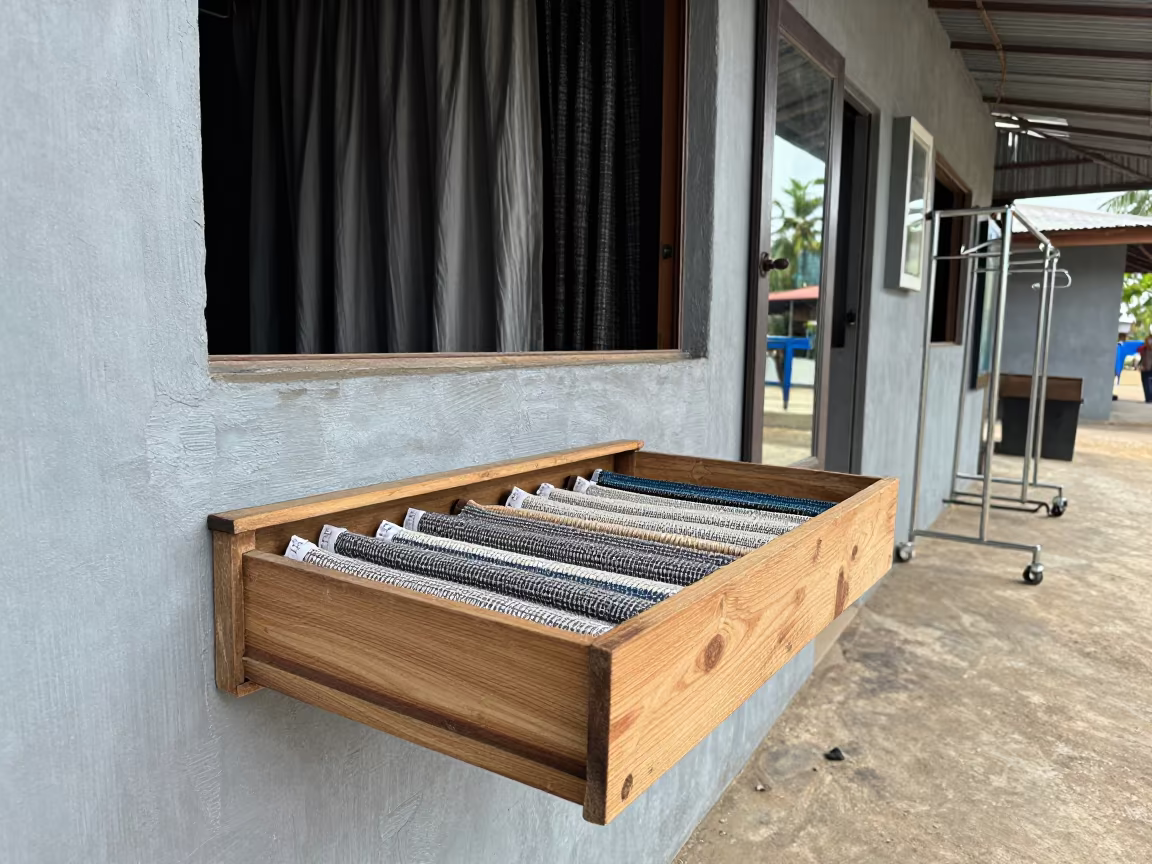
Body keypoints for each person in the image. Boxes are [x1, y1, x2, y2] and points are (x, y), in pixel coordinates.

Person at [1141, 334, 1152, 403]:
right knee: (1146, 384)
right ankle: (1148, 398)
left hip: (1149, 369)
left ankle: (1149, 398)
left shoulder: (1145, 349)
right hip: (1145, 369)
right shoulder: (1144, 349)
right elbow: (1143, 359)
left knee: (1148, 384)